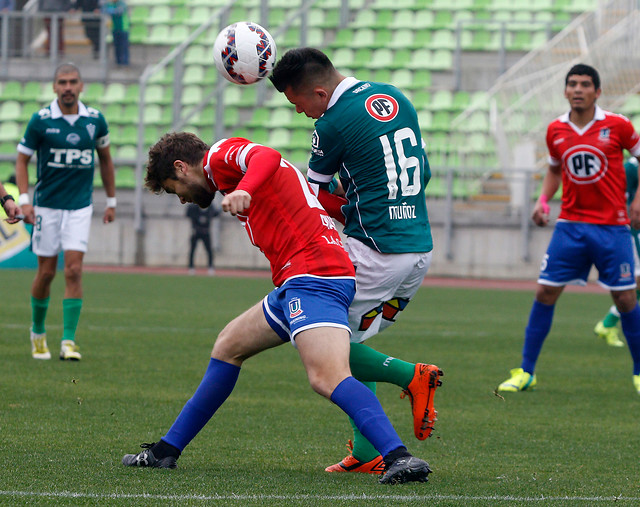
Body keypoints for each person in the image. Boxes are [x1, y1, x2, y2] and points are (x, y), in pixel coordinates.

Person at [121, 132, 432, 485]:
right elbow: (314, 200)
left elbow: (265, 155)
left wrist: (245, 190)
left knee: (327, 377)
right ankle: (166, 451)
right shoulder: (231, 175)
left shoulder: (219, 157)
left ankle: (399, 457)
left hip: (314, 275)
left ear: (181, 167)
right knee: (228, 346)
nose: (181, 199)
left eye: (173, 187)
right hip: (298, 280)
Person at [270, 47, 442, 474]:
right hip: (418, 248)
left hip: (376, 250)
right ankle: (367, 453)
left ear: (319, 91)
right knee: (346, 341)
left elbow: (311, 198)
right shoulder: (394, 96)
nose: (300, 113)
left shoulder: (331, 124)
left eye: (298, 103)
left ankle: (409, 375)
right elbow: (423, 170)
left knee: (313, 335)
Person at [497, 64, 640, 394]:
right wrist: (542, 200)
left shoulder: (617, 125)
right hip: (571, 226)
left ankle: (637, 371)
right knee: (545, 292)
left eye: (585, 84)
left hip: (612, 228)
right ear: (565, 91)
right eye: (572, 84)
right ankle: (526, 372)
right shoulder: (555, 131)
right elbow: (555, 170)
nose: (578, 89)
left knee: (626, 297)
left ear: (597, 92)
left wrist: (637, 200)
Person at [15, 62, 116, 361]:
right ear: (54, 87)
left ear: (81, 85)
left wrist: (111, 201)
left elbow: (106, 161)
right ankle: (38, 333)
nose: (68, 87)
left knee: (73, 270)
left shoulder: (95, 120)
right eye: (63, 82)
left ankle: (68, 341)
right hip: (46, 206)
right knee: (46, 273)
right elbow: (21, 160)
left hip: (80, 206)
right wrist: (24, 199)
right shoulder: (41, 121)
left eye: (73, 81)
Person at [594, 156, 640, 347]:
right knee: (635, 281)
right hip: (630, 229)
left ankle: (608, 323)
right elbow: (618, 196)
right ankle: (608, 323)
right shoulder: (631, 167)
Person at [186, 202, 217, 275]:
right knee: (192, 250)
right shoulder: (193, 207)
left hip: (206, 232)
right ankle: (191, 267)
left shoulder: (210, 207)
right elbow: (188, 214)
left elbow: (216, 213)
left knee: (209, 250)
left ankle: (211, 267)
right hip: (196, 232)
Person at [102, 0, 129, 66]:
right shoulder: (110, 4)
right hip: (114, 28)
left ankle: (125, 63)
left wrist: (111, 10)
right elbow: (103, 10)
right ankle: (118, 62)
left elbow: (120, 11)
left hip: (123, 28)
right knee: (116, 46)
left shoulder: (122, 3)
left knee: (124, 46)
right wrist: (112, 10)